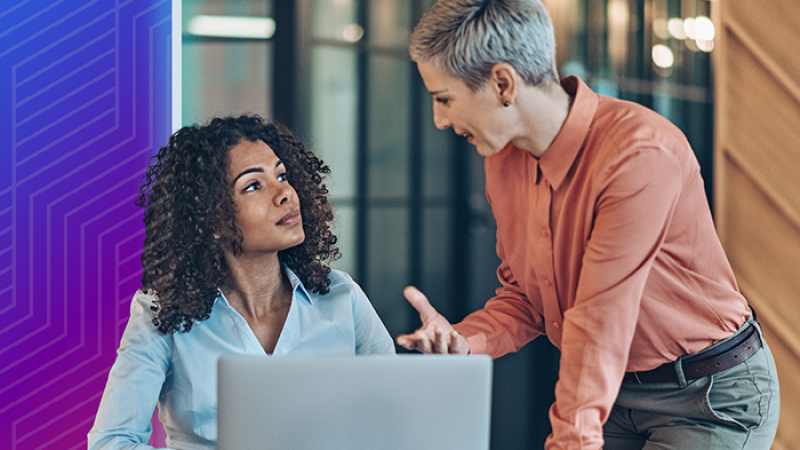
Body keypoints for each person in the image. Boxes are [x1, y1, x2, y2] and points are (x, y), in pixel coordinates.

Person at [395, 1, 780, 449]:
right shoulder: (503, 160)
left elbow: (600, 320)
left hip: (708, 396)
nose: (441, 120)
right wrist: (464, 340)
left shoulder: (638, 155)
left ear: (503, 83)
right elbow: (527, 297)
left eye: (444, 99)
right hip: (615, 391)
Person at [88, 115, 394, 450]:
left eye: (282, 175)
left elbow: (397, 420)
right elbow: (112, 442)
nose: (285, 194)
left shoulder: (341, 296)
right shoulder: (161, 313)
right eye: (253, 186)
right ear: (211, 217)